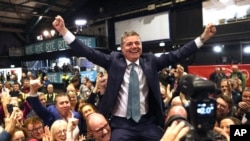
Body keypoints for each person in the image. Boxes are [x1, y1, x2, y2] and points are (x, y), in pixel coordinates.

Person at [52, 15, 216, 141]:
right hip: (120, 123)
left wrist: (203, 38)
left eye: (137, 43)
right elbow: (87, 52)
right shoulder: (113, 61)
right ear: (122, 48)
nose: (134, 46)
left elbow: (177, 54)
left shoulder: (150, 61)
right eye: (129, 44)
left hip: (147, 122)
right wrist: (64, 31)